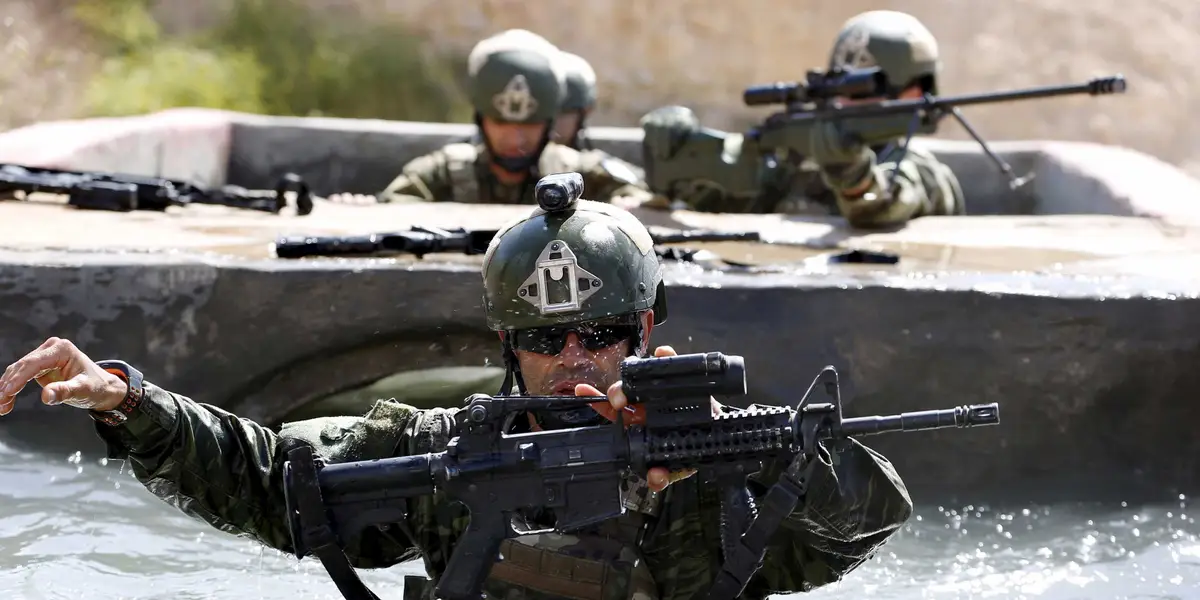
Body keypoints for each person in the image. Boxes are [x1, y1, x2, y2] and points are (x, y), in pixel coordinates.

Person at [0, 174, 913, 600]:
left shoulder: (726, 460)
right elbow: (279, 487)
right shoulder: (453, 447)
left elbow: (868, 525)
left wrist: (759, 448)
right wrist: (128, 401)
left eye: (600, 334)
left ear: (645, 331)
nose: (576, 359)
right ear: (511, 347)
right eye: (547, 339)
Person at [639, 10, 964, 228]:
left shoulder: (923, 170)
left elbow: (880, 207)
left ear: (918, 94)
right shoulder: (795, 158)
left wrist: (849, 172)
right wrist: (675, 148)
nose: (847, 100)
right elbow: (717, 201)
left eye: (868, 88)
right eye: (845, 85)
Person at [334, 29, 650, 206]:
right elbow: (394, 207)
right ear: (481, 119)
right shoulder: (445, 170)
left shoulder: (576, 171)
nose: (515, 140)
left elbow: (637, 198)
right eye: (501, 124)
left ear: (548, 124)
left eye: (528, 126)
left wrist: (627, 208)